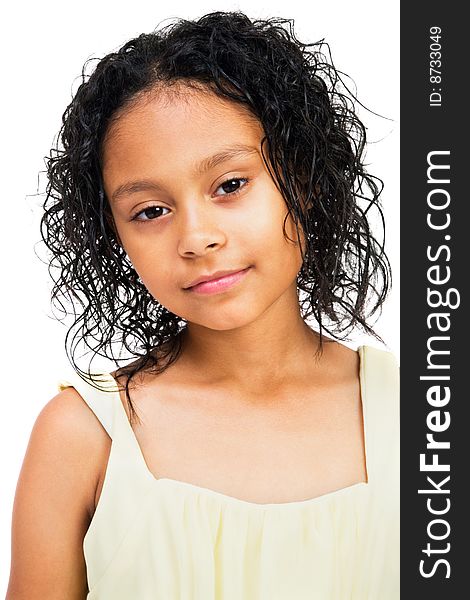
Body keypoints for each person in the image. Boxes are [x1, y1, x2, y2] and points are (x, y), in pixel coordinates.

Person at [6, 10, 398, 600]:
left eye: (231, 185)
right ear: (115, 235)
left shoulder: (427, 415)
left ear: (306, 178)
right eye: (150, 211)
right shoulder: (83, 438)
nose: (196, 237)